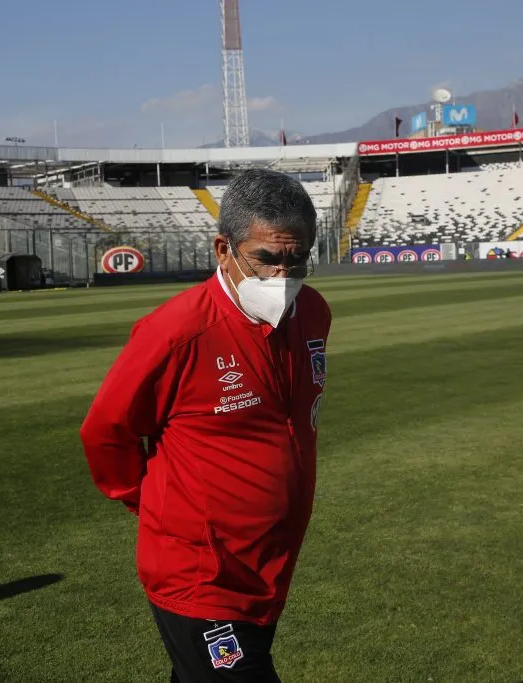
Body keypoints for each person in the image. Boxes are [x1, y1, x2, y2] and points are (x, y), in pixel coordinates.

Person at [80, 169, 331, 682]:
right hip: (200, 572)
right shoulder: (176, 332)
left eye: (298, 259)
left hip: (269, 562)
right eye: (266, 258)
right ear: (223, 249)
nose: (283, 275)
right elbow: (105, 431)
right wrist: (152, 505)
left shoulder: (313, 312)